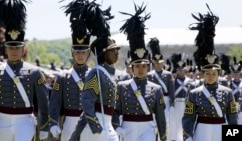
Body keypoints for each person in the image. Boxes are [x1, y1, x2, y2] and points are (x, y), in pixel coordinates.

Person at [0, 0, 49, 140]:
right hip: (2, 122)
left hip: (25, 121)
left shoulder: (35, 72)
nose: (14, 51)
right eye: (11, 47)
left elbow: (43, 102)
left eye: (17, 47)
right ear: (6, 49)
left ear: (23, 49)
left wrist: (44, 127)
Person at [182, 4, 238, 141]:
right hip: (201, 130)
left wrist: (234, 136)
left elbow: (232, 117)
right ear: (202, 74)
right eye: (207, 73)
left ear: (219, 74)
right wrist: (187, 137)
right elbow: (188, 118)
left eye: (214, 73)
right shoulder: (194, 93)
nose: (211, 76)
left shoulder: (227, 92)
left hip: (220, 129)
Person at [114, 3, 167, 141]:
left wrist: (163, 136)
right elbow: (115, 110)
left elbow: (160, 115)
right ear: (131, 68)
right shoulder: (121, 86)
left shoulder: (157, 89)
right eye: (137, 67)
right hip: (127, 128)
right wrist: (116, 126)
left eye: (144, 66)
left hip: (147, 128)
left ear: (149, 68)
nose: (140, 69)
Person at [69, 1, 120, 141]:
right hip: (95, 127)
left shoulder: (109, 74)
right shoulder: (96, 73)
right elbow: (87, 101)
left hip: (107, 124)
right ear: (104, 53)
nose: (117, 53)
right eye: (113, 50)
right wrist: (96, 127)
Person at [49, 1, 92, 140]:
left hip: (91, 124)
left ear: (89, 53)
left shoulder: (95, 75)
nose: (80, 55)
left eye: (83, 52)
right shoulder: (62, 77)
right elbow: (54, 103)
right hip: (69, 123)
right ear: (72, 53)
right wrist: (53, 123)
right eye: (77, 52)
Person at [147, 37, 175, 139]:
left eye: (160, 63)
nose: (158, 65)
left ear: (163, 63)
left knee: (165, 121)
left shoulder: (168, 74)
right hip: (153, 99)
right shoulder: (149, 75)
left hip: (166, 99)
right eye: (156, 63)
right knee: (154, 120)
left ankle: (163, 138)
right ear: (153, 63)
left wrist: (172, 102)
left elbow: (171, 89)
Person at [169, 53, 195, 141]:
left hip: (187, 104)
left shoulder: (190, 81)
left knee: (186, 123)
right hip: (177, 104)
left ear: (185, 70)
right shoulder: (173, 81)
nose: (180, 71)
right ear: (176, 70)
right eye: (179, 69)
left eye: (182, 69)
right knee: (175, 124)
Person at [229, 57, 242, 124]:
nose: (236, 75)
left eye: (238, 73)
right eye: (235, 73)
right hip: (232, 109)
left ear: (240, 73)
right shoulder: (229, 84)